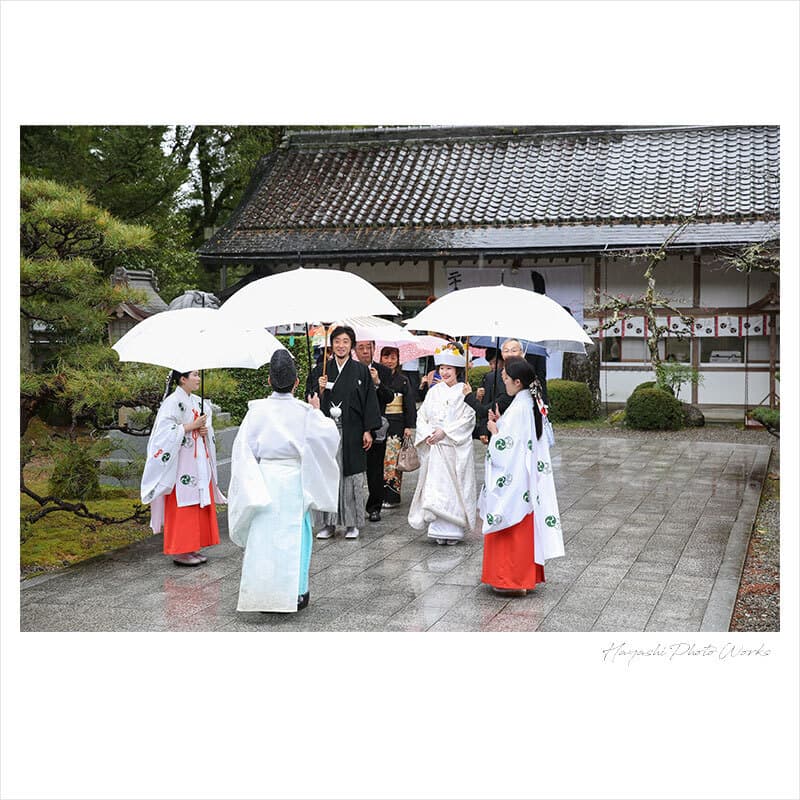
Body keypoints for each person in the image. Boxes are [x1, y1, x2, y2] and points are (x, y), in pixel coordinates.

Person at [227, 350, 339, 612]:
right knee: (296, 537)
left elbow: (242, 451)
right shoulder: (304, 412)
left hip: (265, 479)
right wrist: (317, 411)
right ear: (297, 382)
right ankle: (297, 592)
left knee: (263, 538)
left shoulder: (256, 411)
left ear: (269, 380)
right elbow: (329, 439)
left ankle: (264, 593)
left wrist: (248, 485)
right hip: (294, 480)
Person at [478, 357, 564, 596]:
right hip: (525, 479)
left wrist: (494, 431)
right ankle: (521, 577)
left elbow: (505, 449)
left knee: (509, 523)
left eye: (506, 378)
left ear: (518, 382)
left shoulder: (519, 408)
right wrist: (500, 424)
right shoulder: (529, 402)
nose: (503, 381)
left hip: (514, 479)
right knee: (523, 525)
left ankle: (510, 578)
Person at [141, 369, 226, 566]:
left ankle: (193, 546)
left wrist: (204, 429)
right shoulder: (171, 403)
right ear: (182, 379)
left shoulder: (198, 402)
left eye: (198, 374)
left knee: (198, 501)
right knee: (183, 502)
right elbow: (163, 434)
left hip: (197, 458)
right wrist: (190, 426)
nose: (198, 378)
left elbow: (205, 428)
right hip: (181, 462)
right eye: (194, 375)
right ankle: (180, 550)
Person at [305, 324, 382, 540]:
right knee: (327, 475)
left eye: (345, 342)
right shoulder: (320, 370)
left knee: (352, 477)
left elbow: (369, 401)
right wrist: (319, 389)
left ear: (352, 346)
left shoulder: (360, 371)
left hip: (353, 430)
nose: (341, 346)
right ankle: (328, 524)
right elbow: (310, 400)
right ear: (331, 345)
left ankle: (352, 523)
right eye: (337, 341)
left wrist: (368, 430)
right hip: (327, 431)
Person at [408, 342, 477, 546]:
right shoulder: (434, 391)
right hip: (435, 448)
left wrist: (444, 432)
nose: (445, 372)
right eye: (442, 368)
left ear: (457, 370)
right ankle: (437, 527)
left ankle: (454, 527)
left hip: (453, 447)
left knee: (453, 486)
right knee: (436, 486)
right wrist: (429, 433)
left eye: (449, 368)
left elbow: (468, 418)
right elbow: (422, 415)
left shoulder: (464, 390)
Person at [354, 339, 394, 522]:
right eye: (360, 348)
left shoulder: (382, 370)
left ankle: (374, 507)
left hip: (377, 427)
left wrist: (377, 382)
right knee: (353, 469)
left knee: (375, 470)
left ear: (374, 348)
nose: (365, 351)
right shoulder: (351, 369)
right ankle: (353, 507)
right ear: (355, 350)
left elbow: (389, 397)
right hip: (355, 425)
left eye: (368, 347)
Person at [378, 346, 417, 508]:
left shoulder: (403, 380)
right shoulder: (376, 377)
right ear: (380, 359)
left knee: (393, 460)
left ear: (398, 360)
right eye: (386, 357)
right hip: (380, 421)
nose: (389, 361)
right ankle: (378, 495)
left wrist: (409, 425)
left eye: (393, 358)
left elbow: (409, 403)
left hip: (397, 423)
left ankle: (392, 496)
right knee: (379, 460)